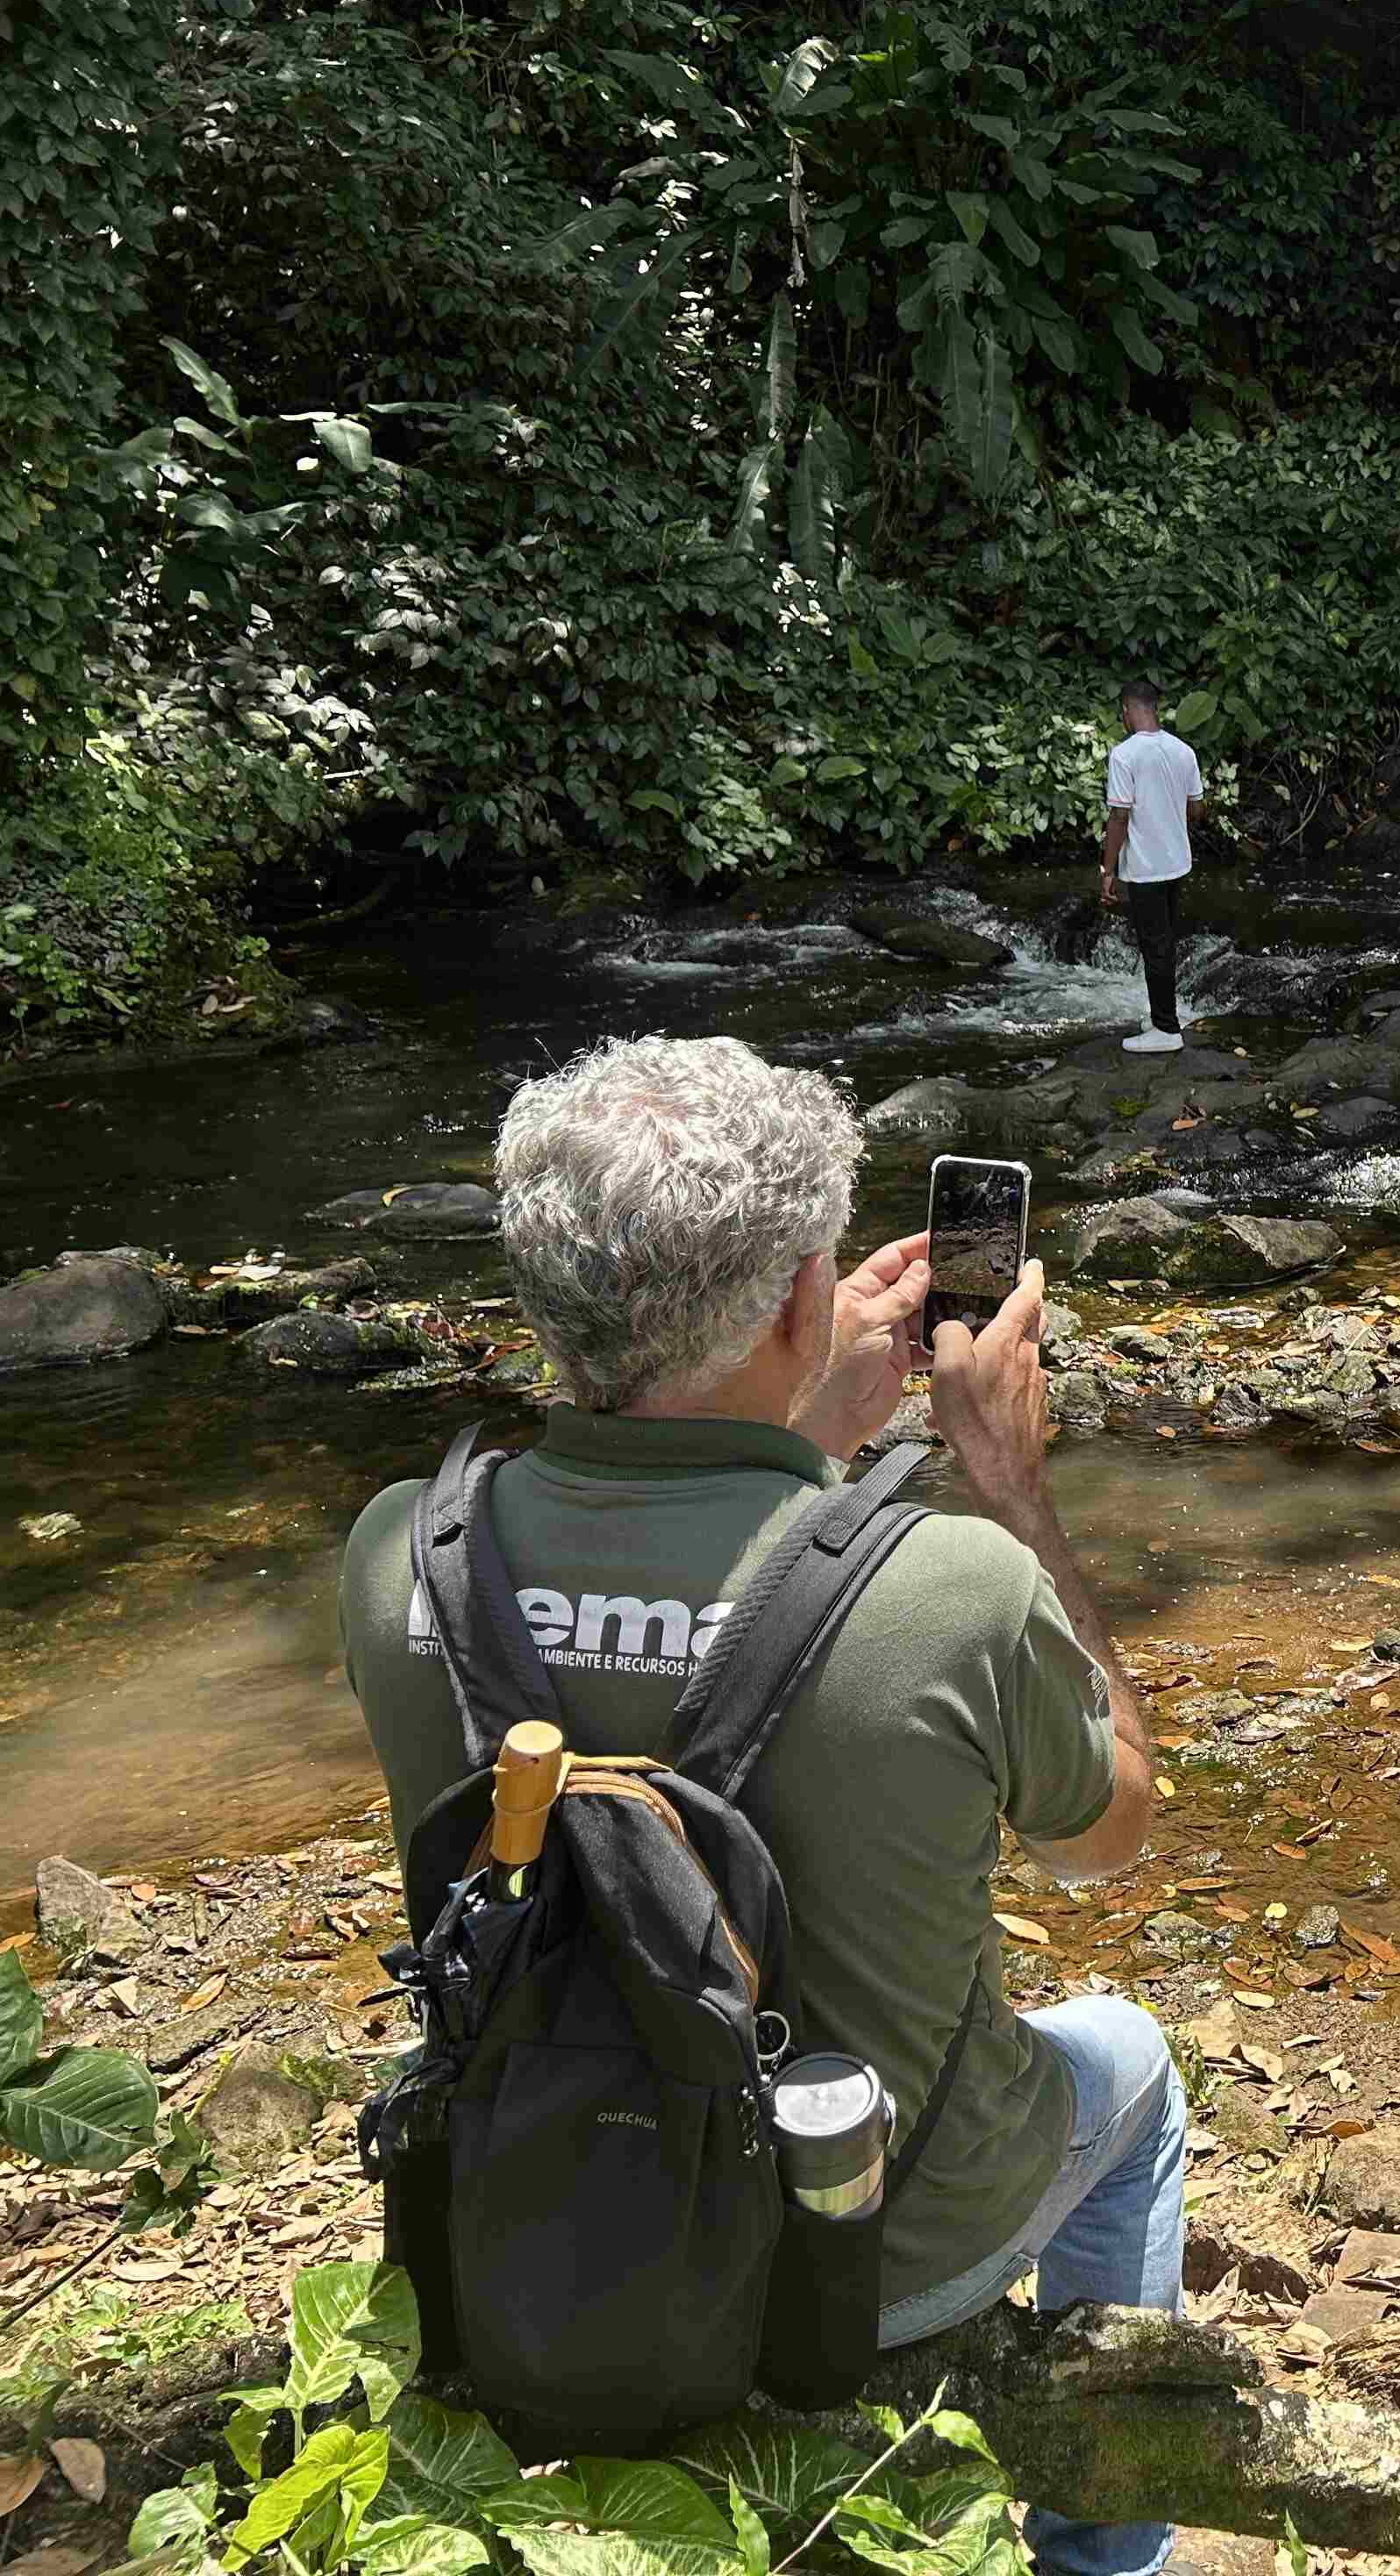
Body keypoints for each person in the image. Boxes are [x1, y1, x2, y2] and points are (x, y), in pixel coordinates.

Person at [339, 1037, 1178, 2576]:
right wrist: (1009, 1484)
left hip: (535, 2210)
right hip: (867, 2251)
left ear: (542, 1300)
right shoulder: (951, 1587)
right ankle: (1099, 2544)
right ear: (804, 1297)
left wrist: (796, 1430)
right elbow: (1108, 1837)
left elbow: (662, 1613)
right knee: (1134, 2057)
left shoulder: (406, 1553)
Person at [1100, 680, 1203, 1056]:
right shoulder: (1183, 750)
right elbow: (1197, 808)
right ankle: (1164, 1016)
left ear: (1126, 711)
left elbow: (1118, 816)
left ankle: (1166, 1029)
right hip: (1177, 863)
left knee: (1154, 947)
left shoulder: (1124, 755)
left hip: (1144, 868)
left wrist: (1107, 870)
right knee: (1164, 945)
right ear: (1155, 709)